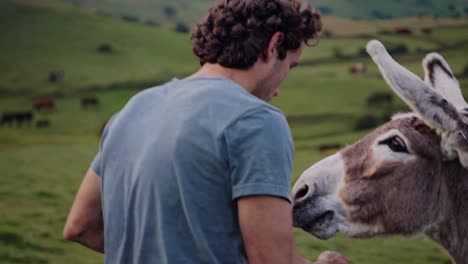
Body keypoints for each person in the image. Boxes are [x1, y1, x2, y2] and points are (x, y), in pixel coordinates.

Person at [63, 0, 348, 263]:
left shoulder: (133, 109)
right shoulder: (256, 120)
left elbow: (80, 226)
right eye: (290, 65)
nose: (280, 87)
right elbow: (269, 259)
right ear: (274, 46)